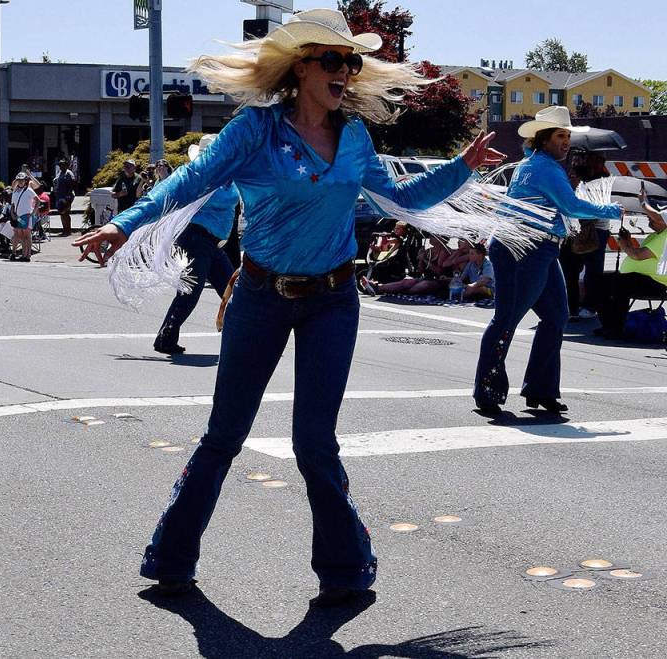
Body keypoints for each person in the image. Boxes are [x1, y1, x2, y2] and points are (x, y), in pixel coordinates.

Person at [75, 8, 504, 604]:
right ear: (299, 69)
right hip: (260, 295)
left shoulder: (354, 136)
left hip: (333, 299)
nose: (346, 72)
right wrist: (123, 225)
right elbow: (186, 185)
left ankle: (346, 570)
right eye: (333, 60)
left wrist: (462, 168)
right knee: (224, 434)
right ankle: (171, 558)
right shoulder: (254, 131)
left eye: (351, 63)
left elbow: (399, 198)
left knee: (314, 442)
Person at [472, 106, 621, 416]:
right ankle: (487, 391)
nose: (566, 142)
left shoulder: (536, 165)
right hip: (523, 249)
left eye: (568, 136)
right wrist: (610, 210)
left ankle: (541, 389)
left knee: (556, 317)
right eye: (559, 136)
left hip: (539, 249)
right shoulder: (544, 168)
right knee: (506, 319)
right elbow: (571, 206)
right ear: (543, 138)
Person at [153, 134, 239, 355]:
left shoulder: (225, 177)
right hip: (195, 239)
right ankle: (166, 338)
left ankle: (243, 338)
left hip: (211, 242)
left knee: (232, 291)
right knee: (191, 291)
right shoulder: (202, 178)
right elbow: (219, 200)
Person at [597, 190, 667, 338]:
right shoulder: (656, 235)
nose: (649, 219)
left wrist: (624, 245)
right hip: (644, 278)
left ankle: (616, 327)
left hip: (657, 283)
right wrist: (627, 240)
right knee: (601, 282)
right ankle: (609, 325)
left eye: (651, 217)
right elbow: (639, 253)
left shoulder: (665, 236)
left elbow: (637, 255)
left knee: (621, 283)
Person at [560, 162, 611, 320]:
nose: (570, 178)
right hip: (573, 231)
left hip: (595, 231)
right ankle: (571, 306)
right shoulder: (569, 187)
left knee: (592, 271)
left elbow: (597, 212)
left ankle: (590, 306)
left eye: (573, 176)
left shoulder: (597, 185)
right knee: (568, 268)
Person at [9, 171, 39, 261]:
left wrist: (34, 212)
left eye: (22, 180)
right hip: (17, 216)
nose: (20, 182)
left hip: (26, 215)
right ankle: (22, 254)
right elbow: (13, 186)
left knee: (26, 235)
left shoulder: (29, 190)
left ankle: (27, 255)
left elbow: (38, 200)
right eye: (19, 180)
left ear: (25, 181)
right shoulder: (15, 190)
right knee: (19, 234)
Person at [53, 158, 76, 236]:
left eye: (63, 165)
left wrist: (68, 196)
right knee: (61, 213)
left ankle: (68, 230)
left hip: (67, 196)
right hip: (60, 195)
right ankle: (64, 229)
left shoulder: (69, 173)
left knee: (66, 213)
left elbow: (72, 185)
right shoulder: (59, 173)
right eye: (60, 165)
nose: (61, 166)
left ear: (66, 165)